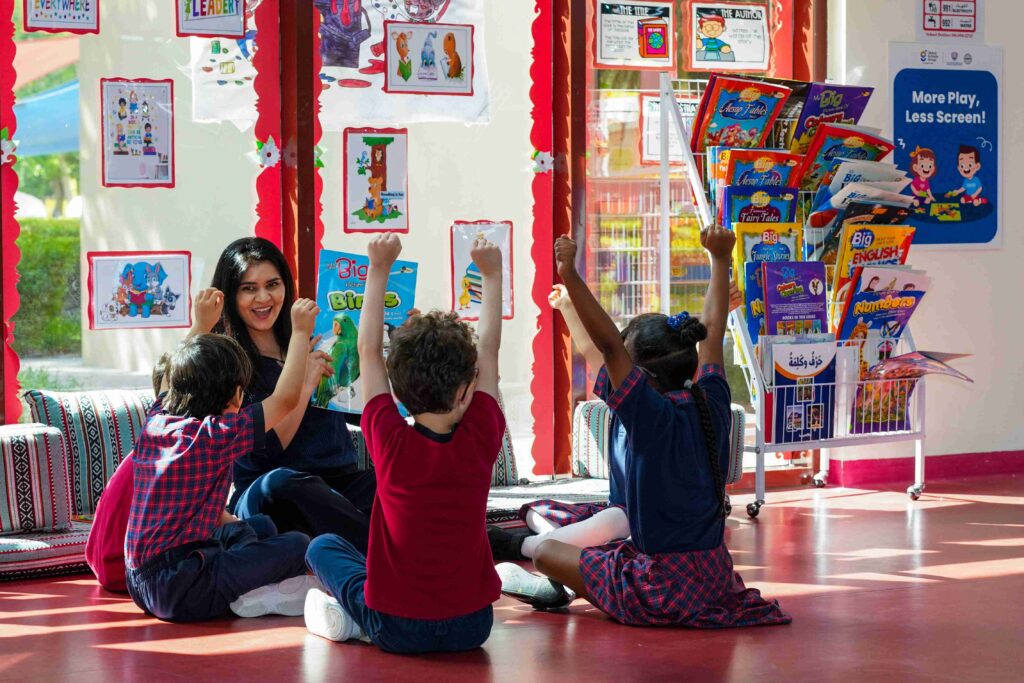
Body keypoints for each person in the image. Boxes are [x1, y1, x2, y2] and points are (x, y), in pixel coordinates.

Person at [496, 228, 791, 629]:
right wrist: (721, 259)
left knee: (548, 552)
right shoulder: (713, 398)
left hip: (657, 589)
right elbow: (713, 332)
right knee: (594, 533)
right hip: (715, 581)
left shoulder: (648, 416)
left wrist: (570, 273)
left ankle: (550, 582)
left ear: (642, 377)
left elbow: (607, 347)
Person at [303, 234, 504, 654]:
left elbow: (367, 351)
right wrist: (491, 273)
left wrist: (378, 269)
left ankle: (354, 621)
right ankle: (354, 620)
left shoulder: (390, 440)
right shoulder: (483, 436)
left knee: (322, 547)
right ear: (467, 390)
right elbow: (488, 348)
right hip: (473, 626)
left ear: (396, 387)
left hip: (397, 629)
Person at [124, 296, 325, 623]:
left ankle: (248, 585)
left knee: (258, 526)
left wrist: (200, 324)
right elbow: (285, 400)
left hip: (142, 580)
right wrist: (300, 333)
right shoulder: (214, 435)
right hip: (181, 587)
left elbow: (166, 383)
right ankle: (249, 593)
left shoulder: (158, 420)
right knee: (298, 543)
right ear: (235, 395)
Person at [210, 238, 377, 554]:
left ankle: (481, 542)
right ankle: (392, 554)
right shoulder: (227, 363)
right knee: (282, 483)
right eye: (249, 288)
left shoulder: (317, 339)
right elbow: (266, 453)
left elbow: (363, 407)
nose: (263, 297)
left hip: (337, 485)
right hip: (268, 493)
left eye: (272, 284)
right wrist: (305, 384)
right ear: (231, 295)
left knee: (398, 482)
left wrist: (397, 340)